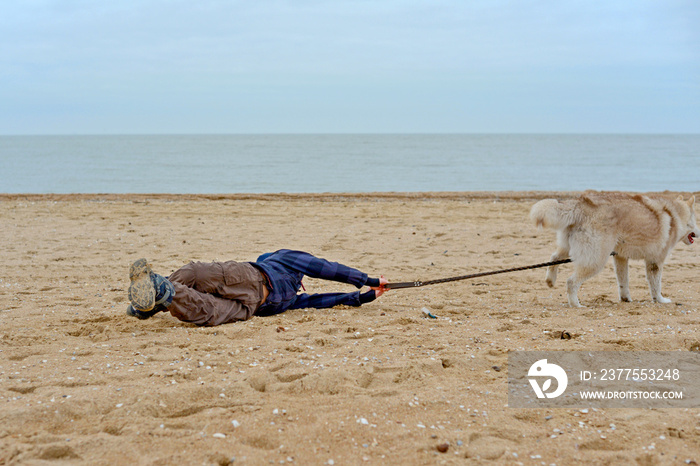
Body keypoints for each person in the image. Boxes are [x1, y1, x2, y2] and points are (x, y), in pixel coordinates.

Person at [125, 249, 389, 326]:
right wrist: (367, 279)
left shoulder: (294, 299)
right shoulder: (282, 259)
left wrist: (363, 297)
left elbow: (319, 301)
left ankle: (161, 293)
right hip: (251, 277)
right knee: (196, 273)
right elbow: (325, 268)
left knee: (207, 310)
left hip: (250, 307)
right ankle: (149, 301)